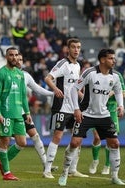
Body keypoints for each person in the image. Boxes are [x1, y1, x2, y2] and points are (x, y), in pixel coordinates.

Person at [58, 48, 125, 186]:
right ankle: (64, 173)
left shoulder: (116, 76)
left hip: (104, 114)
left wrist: (121, 105)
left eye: (114, 58)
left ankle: (114, 176)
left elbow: (118, 91)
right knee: (74, 143)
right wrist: (76, 109)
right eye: (111, 58)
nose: (114, 60)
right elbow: (73, 89)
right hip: (86, 113)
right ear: (102, 60)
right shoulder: (90, 73)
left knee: (115, 143)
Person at [0, 53, 57, 175]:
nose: (18, 61)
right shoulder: (4, 74)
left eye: (21, 59)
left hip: (22, 113)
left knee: (34, 136)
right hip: (7, 111)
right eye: (17, 58)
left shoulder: (25, 76)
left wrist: (53, 93)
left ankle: (46, 165)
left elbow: (37, 89)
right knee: (0, 141)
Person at [43, 38, 88, 179]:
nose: (76, 50)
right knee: (58, 136)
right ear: (67, 49)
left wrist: (85, 99)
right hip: (61, 106)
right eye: (73, 47)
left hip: (74, 107)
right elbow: (48, 78)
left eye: (78, 47)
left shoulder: (78, 66)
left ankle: (72, 169)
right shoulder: (63, 63)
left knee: (77, 138)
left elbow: (75, 88)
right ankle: (47, 170)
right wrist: (56, 89)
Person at [0, 47, 32, 181]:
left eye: (16, 55)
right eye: (11, 55)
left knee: (22, 142)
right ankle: (7, 173)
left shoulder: (20, 74)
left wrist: (27, 112)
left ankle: (1, 163)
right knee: (5, 141)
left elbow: (23, 95)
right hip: (6, 113)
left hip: (18, 114)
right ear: (6, 57)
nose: (14, 58)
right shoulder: (1, 73)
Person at [89, 71, 125, 175]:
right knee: (97, 137)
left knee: (111, 140)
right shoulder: (96, 74)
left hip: (112, 111)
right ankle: (95, 161)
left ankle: (107, 165)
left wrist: (113, 92)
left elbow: (123, 93)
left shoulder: (118, 75)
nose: (112, 61)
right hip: (97, 110)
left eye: (112, 59)